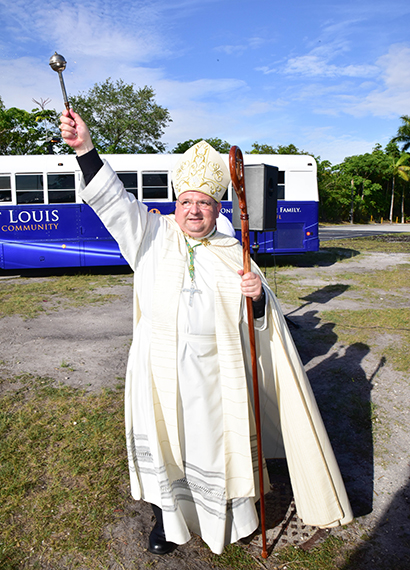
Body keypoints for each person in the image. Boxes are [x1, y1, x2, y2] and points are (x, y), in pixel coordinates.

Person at [60, 110, 353, 556]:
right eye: (186, 202)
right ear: (176, 204)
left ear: (218, 209)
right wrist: (85, 150)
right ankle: (165, 523)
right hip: (158, 374)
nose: (193, 210)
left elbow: (262, 323)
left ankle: (226, 521)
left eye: (204, 203)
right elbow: (114, 202)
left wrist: (257, 297)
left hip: (215, 380)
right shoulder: (150, 236)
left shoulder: (234, 252)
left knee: (214, 450)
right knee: (164, 447)